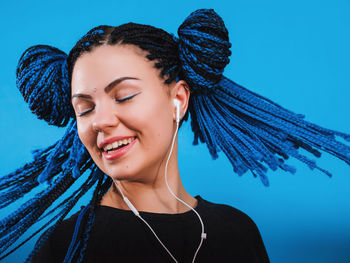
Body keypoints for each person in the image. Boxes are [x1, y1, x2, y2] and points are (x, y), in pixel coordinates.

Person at [0, 8, 349, 263]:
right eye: (85, 108)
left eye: (123, 96)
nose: (100, 121)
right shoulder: (65, 248)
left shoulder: (238, 231)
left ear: (178, 99)